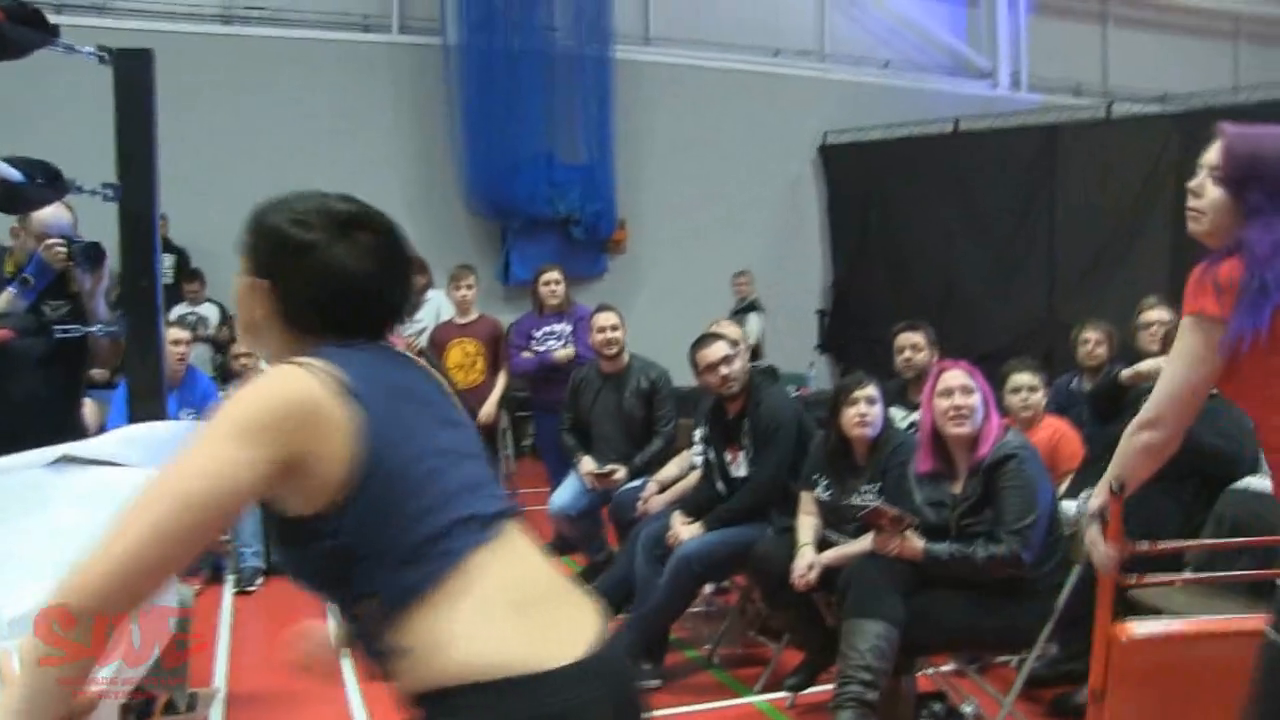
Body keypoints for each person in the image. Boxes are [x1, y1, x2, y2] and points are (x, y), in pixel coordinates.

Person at [0, 191, 641, 720]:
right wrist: (353, 629)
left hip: (513, 699)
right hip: (593, 660)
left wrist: (28, 705)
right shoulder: (416, 375)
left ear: (259, 293)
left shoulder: (286, 393)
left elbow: (92, 599)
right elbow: (439, 529)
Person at [1079, 122, 1280, 720]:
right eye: (1195, 172)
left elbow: (1157, 427)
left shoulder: (1224, 279)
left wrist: (1098, 501)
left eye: (1217, 178)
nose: (1192, 187)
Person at [829, 359, 1067, 720]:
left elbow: (1014, 555)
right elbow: (933, 532)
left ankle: (855, 709)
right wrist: (900, 534)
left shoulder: (1012, 457)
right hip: (967, 582)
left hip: (1018, 599)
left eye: (967, 392)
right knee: (868, 574)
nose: (957, 402)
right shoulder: (931, 465)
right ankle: (852, 710)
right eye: (945, 395)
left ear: (986, 402)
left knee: (882, 618)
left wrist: (924, 551)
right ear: (929, 409)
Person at [593, 331, 812, 690]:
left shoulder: (775, 408)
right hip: (739, 513)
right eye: (711, 368)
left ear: (743, 356)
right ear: (699, 378)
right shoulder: (714, 412)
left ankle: (623, 651)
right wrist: (685, 513)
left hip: (779, 522)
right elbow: (714, 477)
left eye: (728, 360)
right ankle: (644, 651)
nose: (724, 372)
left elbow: (766, 488)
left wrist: (703, 525)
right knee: (652, 537)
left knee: (689, 555)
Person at [745, 371, 914, 695]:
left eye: (871, 402)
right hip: (827, 542)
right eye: (852, 403)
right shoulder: (823, 445)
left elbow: (892, 531)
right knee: (766, 557)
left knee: (862, 578)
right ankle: (821, 645)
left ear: (884, 410)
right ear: (837, 413)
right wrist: (805, 550)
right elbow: (808, 509)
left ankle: (865, 675)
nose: (863, 410)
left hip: (875, 552)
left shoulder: (902, 449)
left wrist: (822, 560)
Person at [0, 200, 120, 455]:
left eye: (64, 241)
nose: (55, 251)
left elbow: (105, 361)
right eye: (44, 239)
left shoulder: (76, 277)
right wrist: (32, 280)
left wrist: (94, 298)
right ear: (17, 234)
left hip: (62, 430)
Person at [507, 264, 594, 495]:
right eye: (546, 284)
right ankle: (563, 519)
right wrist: (554, 357)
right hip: (546, 410)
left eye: (557, 283)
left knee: (587, 475)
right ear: (536, 289)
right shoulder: (524, 324)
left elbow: (586, 358)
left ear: (565, 286)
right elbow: (516, 366)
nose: (553, 288)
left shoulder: (582, 316)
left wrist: (536, 358)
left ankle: (590, 520)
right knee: (557, 475)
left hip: (581, 408)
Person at [102, 323, 221, 432]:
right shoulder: (133, 385)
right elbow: (115, 431)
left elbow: (215, 431)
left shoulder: (204, 385)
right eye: (175, 343)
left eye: (188, 344)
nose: (183, 350)